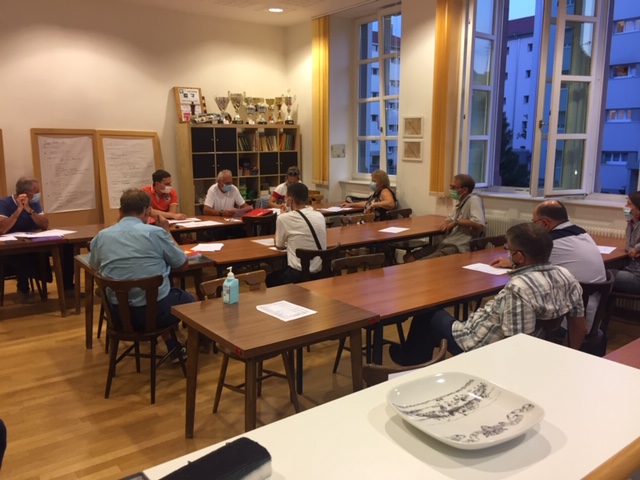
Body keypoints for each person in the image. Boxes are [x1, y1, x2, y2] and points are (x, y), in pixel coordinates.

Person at [389, 222, 586, 366]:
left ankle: (411, 362)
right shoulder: (567, 276)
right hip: (496, 333)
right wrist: (567, 359)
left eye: (508, 249)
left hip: (476, 345)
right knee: (434, 319)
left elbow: (517, 344)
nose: (507, 252)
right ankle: (415, 358)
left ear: (519, 256)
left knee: (427, 315)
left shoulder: (519, 288)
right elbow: (579, 326)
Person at [88, 189, 195, 361]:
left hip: (118, 316)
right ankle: (190, 348)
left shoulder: (101, 236)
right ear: (147, 211)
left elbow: (94, 266)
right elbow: (182, 264)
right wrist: (167, 231)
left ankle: (174, 348)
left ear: (120, 211)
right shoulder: (156, 233)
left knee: (155, 296)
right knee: (186, 299)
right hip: (155, 313)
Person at [490, 200, 606, 330]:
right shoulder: (581, 232)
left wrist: (512, 261)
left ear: (545, 223)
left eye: (534, 222)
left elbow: (527, 264)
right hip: (591, 308)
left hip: (567, 319)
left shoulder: (549, 242)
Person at [0, 177, 58, 303]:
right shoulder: (4, 203)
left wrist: (29, 210)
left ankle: (67, 287)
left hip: (32, 241)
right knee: (23, 256)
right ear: (25, 193)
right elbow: (2, 229)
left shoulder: (34, 204)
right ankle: (23, 290)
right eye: (36, 192)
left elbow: (45, 224)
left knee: (65, 248)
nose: (38, 195)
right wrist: (19, 209)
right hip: (9, 247)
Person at [404, 174, 485, 263]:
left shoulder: (474, 200)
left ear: (465, 190)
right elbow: (451, 218)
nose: (451, 190)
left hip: (458, 247)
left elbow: (479, 223)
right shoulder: (460, 202)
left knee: (417, 265)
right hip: (447, 243)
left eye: (453, 187)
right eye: (450, 186)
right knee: (408, 257)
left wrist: (456, 222)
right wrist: (447, 221)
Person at [266, 183, 327, 287]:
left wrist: (282, 215)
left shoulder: (283, 218)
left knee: (270, 279)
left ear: (289, 200)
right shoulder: (319, 215)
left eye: (286, 198)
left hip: (298, 274)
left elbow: (279, 245)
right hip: (321, 271)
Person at [610, 191, 640, 294]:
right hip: (631, 269)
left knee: (603, 275)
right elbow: (628, 246)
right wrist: (633, 250)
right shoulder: (631, 224)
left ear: (638, 209)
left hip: (637, 276)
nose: (625, 207)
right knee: (604, 271)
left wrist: (637, 248)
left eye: (629, 204)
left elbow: (634, 247)